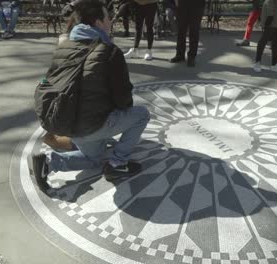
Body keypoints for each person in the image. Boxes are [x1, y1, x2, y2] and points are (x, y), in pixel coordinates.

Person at [32, 0, 150, 191]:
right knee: (141, 115)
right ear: (98, 22)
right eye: (108, 18)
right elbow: (124, 100)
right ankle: (117, 164)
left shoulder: (64, 46)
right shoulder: (110, 51)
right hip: (93, 123)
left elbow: (51, 82)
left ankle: (49, 163)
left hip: (67, 122)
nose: (110, 22)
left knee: (94, 159)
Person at [169, 0, 205, 67]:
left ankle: (191, 57)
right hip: (182, 5)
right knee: (181, 31)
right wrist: (176, 2)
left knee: (194, 31)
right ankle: (180, 55)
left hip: (197, 5)